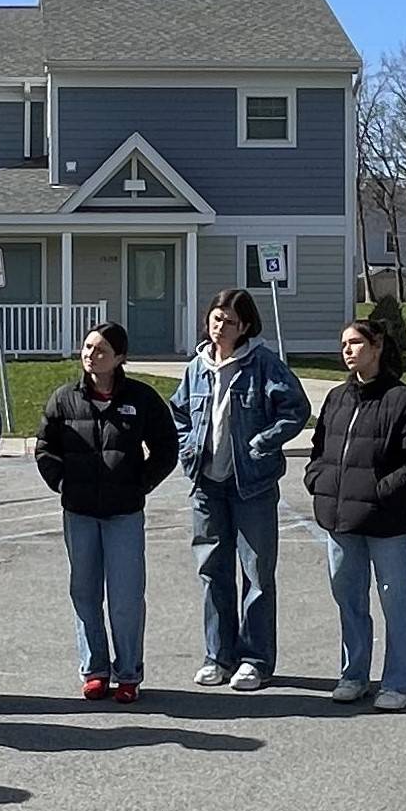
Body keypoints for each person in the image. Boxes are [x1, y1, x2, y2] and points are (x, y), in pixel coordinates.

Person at [32, 320, 178, 701]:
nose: (91, 355)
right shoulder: (64, 398)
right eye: (87, 347)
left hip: (123, 514)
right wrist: (63, 483)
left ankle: (128, 673)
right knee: (84, 591)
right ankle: (95, 669)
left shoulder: (142, 399)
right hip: (79, 513)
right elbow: (45, 447)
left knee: (126, 597)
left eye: (100, 350)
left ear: (119, 358)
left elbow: (166, 448)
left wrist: (138, 484)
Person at [172, 288, 308, 690]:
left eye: (229, 321)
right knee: (211, 571)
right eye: (215, 319)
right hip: (206, 485)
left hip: (252, 486)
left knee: (257, 573)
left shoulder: (263, 363)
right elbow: (179, 411)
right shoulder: (197, 367)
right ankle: (218, 656)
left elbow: (295, 409)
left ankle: (255, 659)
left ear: (245, 326)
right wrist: (187, 449)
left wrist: (263, 443)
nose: (220, 327)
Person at [305, 319, 406, 709]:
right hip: (341, 520)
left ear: (376, 346)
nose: (348, 350)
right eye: (344, 343)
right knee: (349, 599)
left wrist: (382, 493)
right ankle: (354, 674)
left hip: (388, 523)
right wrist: (318, 480)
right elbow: (319, 450)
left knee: (395, 600)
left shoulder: (401, 399)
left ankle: (400, 681)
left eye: (356, 343)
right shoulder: (336, 398)